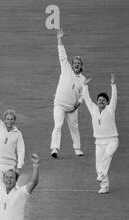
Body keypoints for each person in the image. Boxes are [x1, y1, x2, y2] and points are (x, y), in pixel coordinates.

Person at [0, 87, 25, 220]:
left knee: (11, 192)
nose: (9, 121)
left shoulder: (18, 134)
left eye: (11, 119)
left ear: (14, 121)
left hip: (10, 166)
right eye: (7, 119)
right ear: (4, 120)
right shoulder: (0, 127)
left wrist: (20, 166)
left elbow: (21, 150)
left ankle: (9, 216)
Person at [50, 28, 86, 158]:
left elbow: (83, 95)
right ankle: (55, 149)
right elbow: (62, 54)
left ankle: (77, 149)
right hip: (59, 104)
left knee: (74, 128)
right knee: (58, 125)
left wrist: (77, 105)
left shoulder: (83, 79)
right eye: (75, 63)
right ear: (72, 64)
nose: (76, 65)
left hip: (72, 108)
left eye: (78, 63)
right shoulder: (66, 68)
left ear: (81, 66)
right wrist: (59, 39)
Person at [82, 73, 118, 194]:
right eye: (99, 100)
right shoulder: (93, 109)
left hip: (112, 140)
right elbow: (86, 98)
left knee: (108, 155)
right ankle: (104, 186)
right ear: (97, 101)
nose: (101, 101)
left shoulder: (110, 109)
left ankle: (102, 174)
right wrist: (85, 86)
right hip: (99, 141)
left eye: (103, 100)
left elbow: (114, 98)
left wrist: (113, 84)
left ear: (107, 102)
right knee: (98, 165)